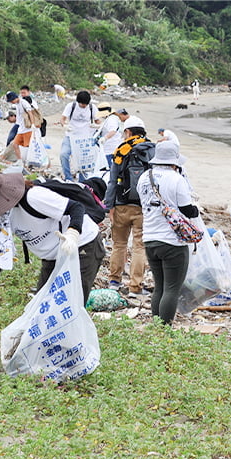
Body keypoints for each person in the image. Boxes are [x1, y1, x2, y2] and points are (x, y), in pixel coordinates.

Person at [0, 168, 106, 328]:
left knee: (68, 308)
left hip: (83, 245)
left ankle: (74, 349)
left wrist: (73, 232)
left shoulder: (34, 197)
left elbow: (76, 208)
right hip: (52, 255)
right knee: (40, 310)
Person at [136, 140, 199, 325]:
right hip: (172, 240)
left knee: (160, 286)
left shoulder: (144, 177)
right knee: (172, 288)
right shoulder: (176, 179)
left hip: (150, 238)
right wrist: (196, 210)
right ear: (174, 161)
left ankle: (156, 326)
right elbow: (187, 210)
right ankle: (164, 329)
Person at [104, 115, 154, 296]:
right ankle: (135, 286)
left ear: (128, 131)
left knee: (119, 244)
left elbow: (112, 181)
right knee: (139, 246)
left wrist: (109, 205)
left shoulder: (121, 150)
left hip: (121, 205)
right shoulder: (152, 149)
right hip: (144, 206)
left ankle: (114, 281)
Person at [59, 90, 101, 181]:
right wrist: (65, 125)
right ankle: (68, 177)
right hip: (71, 135)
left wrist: (96, 126)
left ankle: (83, 181)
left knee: (84, 160)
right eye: (82, 104)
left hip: (85, 138)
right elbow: (62, 119)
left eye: (85, 104)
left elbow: (98, 121)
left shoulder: (92, 107)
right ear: (78, 102)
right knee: (64, 154)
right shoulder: (71, 106)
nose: (83, 106)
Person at [6, 90, 40, 165]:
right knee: (15, 144)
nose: (11, 102)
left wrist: (33, 124)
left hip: (27, 129)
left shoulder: (23, 102)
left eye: (12, 100)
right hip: (21, 128)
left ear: (15, 98)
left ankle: (32, 160)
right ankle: (20, 160)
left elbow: (30, 113)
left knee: (28, 146)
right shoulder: (17, 104)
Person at [97, 107, 129, 175]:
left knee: (110, 170)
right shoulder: (112, 119)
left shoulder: (112, 119)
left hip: (111, 149)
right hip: (113, 147)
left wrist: (105, 138)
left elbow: (113, 131)